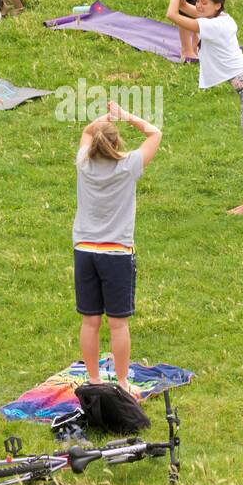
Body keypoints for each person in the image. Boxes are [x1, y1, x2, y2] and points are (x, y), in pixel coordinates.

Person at [166, 0, 243, 215]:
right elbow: (183, 7)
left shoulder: (215, 27)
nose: (200, 7)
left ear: (218, 5)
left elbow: (172, 14)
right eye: (199, 2)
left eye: (204, 3)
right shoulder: (220, 19)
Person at [74, 100, 163, 390]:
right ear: (117, 143)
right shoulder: (129, 165)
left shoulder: (83, 163)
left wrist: (104, 119)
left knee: (90, 323)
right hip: (117, 254)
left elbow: (87, 132)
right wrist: (126, 116)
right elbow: (155, 134)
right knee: (118, 324)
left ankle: (93, 379)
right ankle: (122, 383)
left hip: (85, 251)